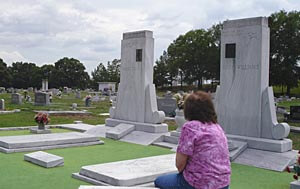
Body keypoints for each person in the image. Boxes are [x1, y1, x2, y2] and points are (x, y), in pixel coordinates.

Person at [154, 91, 231, 189]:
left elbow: (180, 165)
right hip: (223, 184)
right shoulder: (217, 127)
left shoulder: (190, 127)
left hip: (198, 183)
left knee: (159, 181)